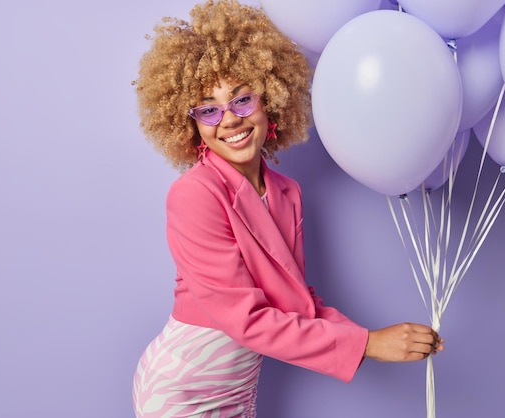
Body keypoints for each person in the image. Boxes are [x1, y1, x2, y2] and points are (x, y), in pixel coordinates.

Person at [131, 1, 444, 416]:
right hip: (183, 390)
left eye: (242, 99)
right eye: (208, 109)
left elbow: (295, 304)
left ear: (269, 99)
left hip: (240, 390)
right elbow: (247, 319)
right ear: (191, 125)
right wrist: (369, 345)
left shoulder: (287, 192)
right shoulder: (194, 195)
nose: (229, 119)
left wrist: (380, 338)